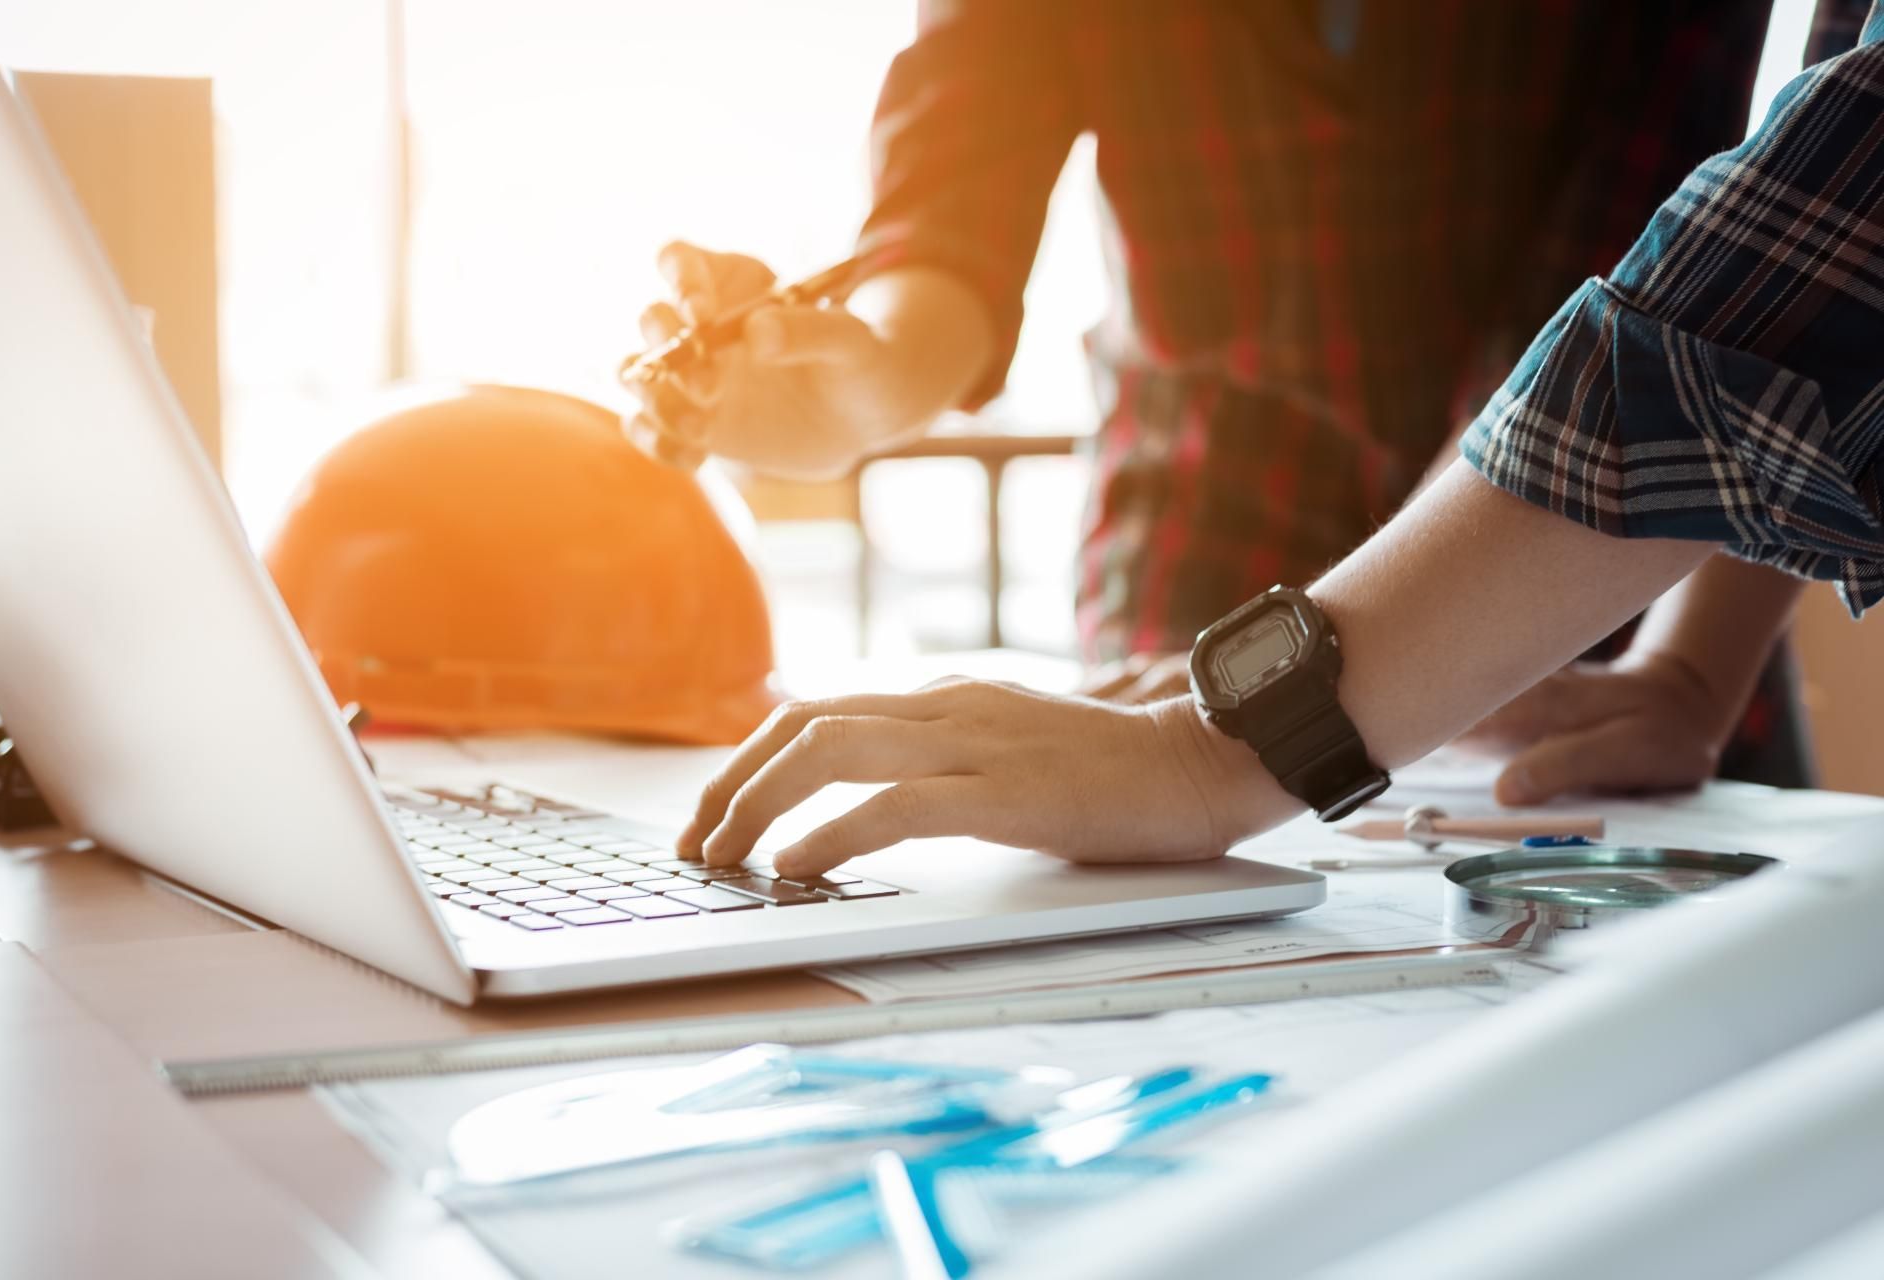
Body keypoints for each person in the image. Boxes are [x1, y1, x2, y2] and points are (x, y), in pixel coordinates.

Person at [668, 6, 1884, 881]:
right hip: (1202, 563)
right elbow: (956, 183)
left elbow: (1809, 268)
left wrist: (1691, 673)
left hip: (1599, 591)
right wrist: (871, 374)